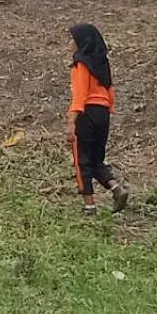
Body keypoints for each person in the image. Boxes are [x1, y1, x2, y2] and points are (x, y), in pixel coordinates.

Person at [66, 23, 128, 216]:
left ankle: (89, 206)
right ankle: (116, 187)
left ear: (81, 42)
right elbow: (110, 91)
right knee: (96, 159)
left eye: (73, 39)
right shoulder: (102, 64)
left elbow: (80, 94)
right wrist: (108, 110)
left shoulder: (81, 63)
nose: (70, 43)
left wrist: (71, 121)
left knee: (81, 160)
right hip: (103, 114)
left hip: (86, 113)